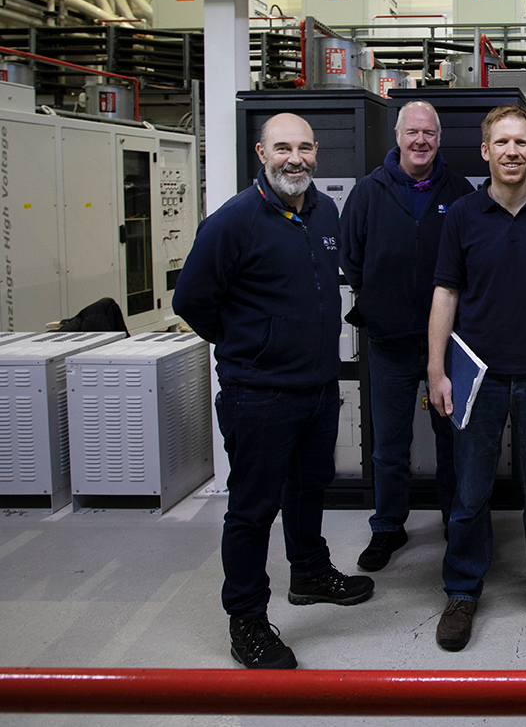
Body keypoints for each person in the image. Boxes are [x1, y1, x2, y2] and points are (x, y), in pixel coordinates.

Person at [174, 112, 374, 670]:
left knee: (311, 487)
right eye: (283, 147)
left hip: (317, 385)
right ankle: (247, 620)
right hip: (258, 392)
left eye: (306, 148)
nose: (297, 158)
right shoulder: (233, 221)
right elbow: (190, 300)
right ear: (261, 154)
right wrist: (248, 343)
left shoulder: (324, 210)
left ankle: (308, 572)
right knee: (252, 508)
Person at [427, 104, 526, 652]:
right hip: (477, 378)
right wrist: (436, 370)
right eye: (502, 143)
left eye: (521, 142)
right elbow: (445, 293)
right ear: (485, 151)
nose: (512, 151)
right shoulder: (464, 216)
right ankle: (463, 590)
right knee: (470, 494)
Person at [340, 100, 475, 572]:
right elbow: (351, 258)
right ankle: (388, 527)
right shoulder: (367, 193)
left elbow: (471, 260)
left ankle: (454, 520)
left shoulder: (459, 192)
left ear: (440, 139)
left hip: (448, 342)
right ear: (397, 136)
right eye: (413, 132)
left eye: (430, 133)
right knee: (389, 442)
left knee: (451, 439)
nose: (421, 141)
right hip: (389, 341)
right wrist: (383, 300)